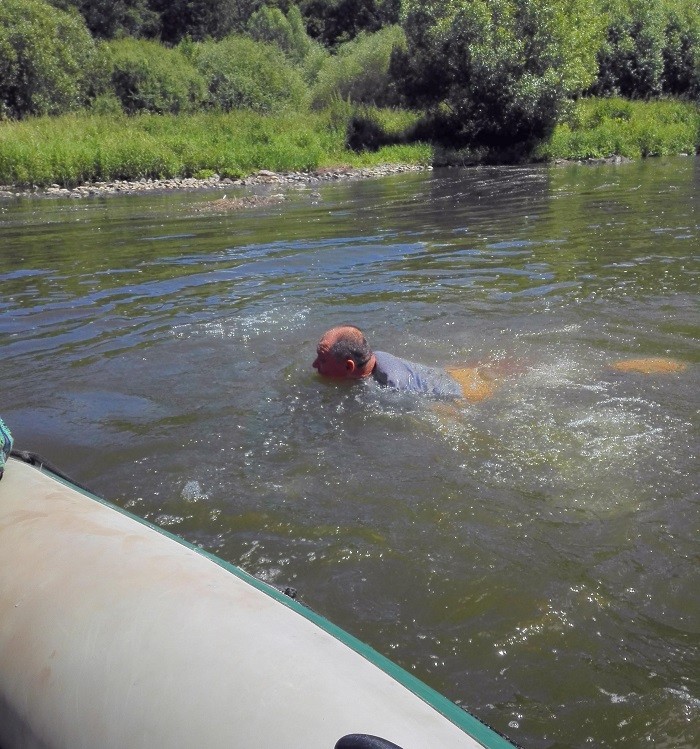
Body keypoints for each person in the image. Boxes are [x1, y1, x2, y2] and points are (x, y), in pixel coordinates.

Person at [312, 325, 496, 401]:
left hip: (465, 394)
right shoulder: (377, 357)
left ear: (348, 366)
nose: (314, 365)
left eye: (322, 360)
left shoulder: (391, 386)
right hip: (455, 374)